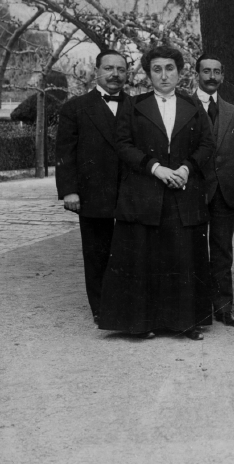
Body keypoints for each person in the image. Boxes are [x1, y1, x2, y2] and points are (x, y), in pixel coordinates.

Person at [97, 45, 215, 340]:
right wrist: (155, 168)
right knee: (144, 258)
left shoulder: (193, 105)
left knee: (182, 257)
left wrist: (186, 168)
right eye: (157, 70)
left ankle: (185, 322)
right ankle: (142, 322)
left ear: (180, 72)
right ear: (149, 74)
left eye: (170, 69)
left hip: (182, 192)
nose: (164, 75)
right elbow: (123, 145)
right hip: (144, 193)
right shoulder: (134, 105)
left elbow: (207, 144)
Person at [56, 49, 129, 324]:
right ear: (96, 71)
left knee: (128, 251)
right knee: (96, 253)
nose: (115, 74)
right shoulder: (75, 108)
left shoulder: (136, 106)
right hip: (92, 193)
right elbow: (65, 152)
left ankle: (128, 307)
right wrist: (69, 190)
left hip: (129, 193)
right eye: (108, 68)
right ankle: (101, 309)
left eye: (120, 69)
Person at [192, 53, 234, 326]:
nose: (211, 77)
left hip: (224, 192)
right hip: (193, 191)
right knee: (193, 248)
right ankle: (196, 307)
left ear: (222, 76)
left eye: (216, 72)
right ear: (197, 75)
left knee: (223, 250)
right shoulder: (184, 106)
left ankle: (224, 308)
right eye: (206, 71)